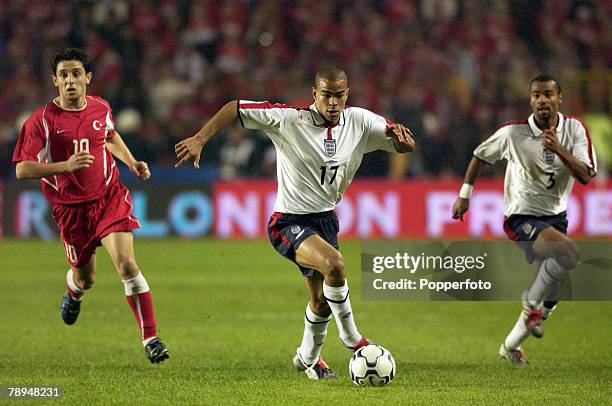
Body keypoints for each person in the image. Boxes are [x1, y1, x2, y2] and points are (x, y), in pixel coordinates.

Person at [175, 66, 414, 379]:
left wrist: (403, 143)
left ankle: (307, 358)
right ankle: (352, 337)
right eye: (326, 95)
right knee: (335, 265)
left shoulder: (360, 120)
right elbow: (234, 107)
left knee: (321, 301)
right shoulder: (289, 119)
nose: (332, 102)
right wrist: (200, 138)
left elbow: (396, 140)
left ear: (347, 95)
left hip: (325, 220)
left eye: (338, 95)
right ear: (314, 94)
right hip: (287, 222)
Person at [12, 48, 169, 364]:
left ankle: (151, 338)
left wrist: (132, 162)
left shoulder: (100, 108)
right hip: (71, 211)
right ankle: (74, 292)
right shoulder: (41, 121)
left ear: (88, 78)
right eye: (64, 75)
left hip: (109, 197)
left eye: (76, 73)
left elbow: (109, 137)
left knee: (126, 264)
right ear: (55, 81)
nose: (70, 80)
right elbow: (22, 169)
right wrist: (65, 167)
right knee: (86, 279)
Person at [452, 74, 597, 365]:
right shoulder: (512, 133)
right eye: (536, 95)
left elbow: (584, 174)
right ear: (530, 100)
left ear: (559, 98)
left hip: (556, 217)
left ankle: (510, 346)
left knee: (550, 300)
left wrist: (559, 149)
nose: (542, 100)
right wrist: (465, 194)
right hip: (522, 215)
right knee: (568, 253)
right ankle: (530, 301)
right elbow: (480, 156)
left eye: (547, 94)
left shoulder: (575, 130)